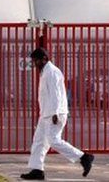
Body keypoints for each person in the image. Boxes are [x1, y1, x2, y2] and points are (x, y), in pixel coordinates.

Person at [21, 48, 94, 180]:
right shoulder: (45, 71)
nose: (35, 63)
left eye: (36, 60)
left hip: (55, 113)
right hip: (46, 114)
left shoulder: (52, 72)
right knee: (38, 142)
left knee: (53, 141)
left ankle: (83, 157)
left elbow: (56, 94)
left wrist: (55, 113)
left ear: (44, 58)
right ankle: (37, 170)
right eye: (34, 61)